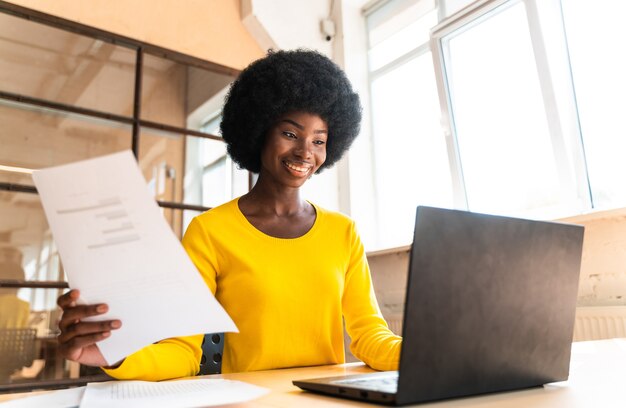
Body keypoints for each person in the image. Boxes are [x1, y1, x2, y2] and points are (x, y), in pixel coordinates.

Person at [56, 49, 402, 381]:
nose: (304, 151)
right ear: (259, 131)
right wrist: (113, 355)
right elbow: (184, 350)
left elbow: (370, 335)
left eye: (318, 141)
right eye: (290, 134)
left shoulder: (343, 232)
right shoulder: (211, 231)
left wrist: (424, 352)